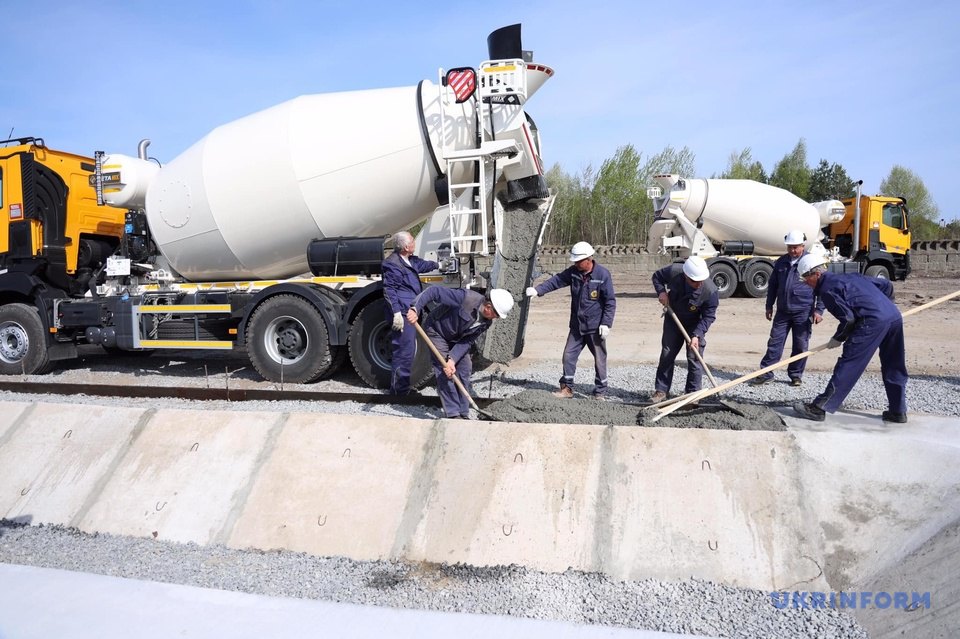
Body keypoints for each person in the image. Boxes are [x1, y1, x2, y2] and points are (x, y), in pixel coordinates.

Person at [792, 254, 908, 423]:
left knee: (850, 363)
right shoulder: (851, 276)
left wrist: (838, 338)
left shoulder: (827, 290)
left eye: (805, 278)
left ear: (816, 274)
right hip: (894, 316)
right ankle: (898, 411)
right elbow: (886, 285)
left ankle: (819, 408)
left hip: (872, 322)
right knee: (894, 363)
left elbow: (848, 319)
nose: (805, 283)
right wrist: (886, 305)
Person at [525, 241, 616, 399]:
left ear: (588, 259)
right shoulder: (574, 272)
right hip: (577, 326)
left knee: (600, 359)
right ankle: (567, 388)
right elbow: (557, 281)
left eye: (578, 261)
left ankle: (600, 391)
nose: (575, 263)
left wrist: (606, 323)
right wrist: (538, 290)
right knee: (568, 355)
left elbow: (610, 302)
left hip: (595, 327)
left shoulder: (602, 275)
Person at [406, 287, 513, 419]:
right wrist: (415, 308)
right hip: (437, 331)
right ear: (488, 306)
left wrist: (453, 359)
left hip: (456, 339)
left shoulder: (486, 322)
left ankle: (463, 412)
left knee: (464, 368)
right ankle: (453, 413)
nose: (496, 318)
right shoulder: (465, 298)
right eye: (496, 314)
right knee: (445, 370)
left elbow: (467, 341)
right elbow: (434, 291)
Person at [749, 230, 825, 387]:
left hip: (803, 311)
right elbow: (773, 285)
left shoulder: (811, 262)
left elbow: (822, 287)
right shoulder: (782, 262)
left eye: (795, 247)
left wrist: (819, 310)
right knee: (774, 343)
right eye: (790, 247)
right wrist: (769, 306)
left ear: (803, 246)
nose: (792, 250)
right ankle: (766, 373)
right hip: (783, 311)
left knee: (801, 344)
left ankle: (796, 375)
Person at [650, 256, 719, 402]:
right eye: (694, 281)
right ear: (686, 275)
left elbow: (708, 316)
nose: (698, 284)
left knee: (694, 356)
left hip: (695, 323)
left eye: (700, 280)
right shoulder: (674, 271)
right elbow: (657, 277)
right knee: (667, 354)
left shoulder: (710, 291)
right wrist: (661, 292)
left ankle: (693, 394)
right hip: (673, 318)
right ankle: (661, 391)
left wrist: (697, 335)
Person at [382, 231, 438, 395]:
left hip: (411, 310)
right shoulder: (392, 263)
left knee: (406, 350)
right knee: (404, 351)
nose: (414, 242)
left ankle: (402, 387)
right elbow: (389, 290)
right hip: (403, 313)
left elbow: (422, 265)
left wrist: (439, 265)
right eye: (412, 241)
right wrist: (397, 313)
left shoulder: (409, 260)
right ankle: (398, 391)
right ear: (406, 247)